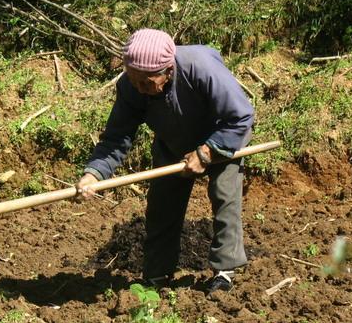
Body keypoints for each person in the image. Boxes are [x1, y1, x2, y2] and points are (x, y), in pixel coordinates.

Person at [75, 28, 254, 293]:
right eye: (135, 81)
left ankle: (224, 272)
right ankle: (156, 277)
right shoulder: (131, 86)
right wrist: (94, 174)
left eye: (148, 82)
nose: (141, 89)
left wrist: (206, 153)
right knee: (162, 206)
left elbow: (240, 116)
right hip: (173, 141)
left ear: (168, 70)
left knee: (224, 194)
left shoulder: (201, 68)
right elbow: (116, 137)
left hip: (222, 137)